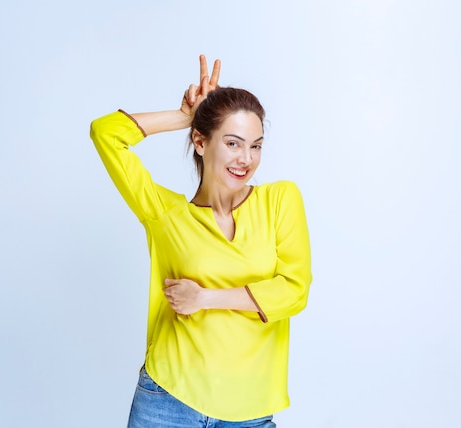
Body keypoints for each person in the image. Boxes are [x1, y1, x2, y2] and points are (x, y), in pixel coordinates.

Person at [90, 55, 312, 428]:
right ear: (200, 141)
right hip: (167, 401)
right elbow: (105, 134)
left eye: (256, 146)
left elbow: (294, 291)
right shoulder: (165, 213)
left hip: (249, 409)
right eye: (233, 143)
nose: (246, 159)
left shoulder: (280, 200)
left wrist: (205, 297)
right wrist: (183, 116)